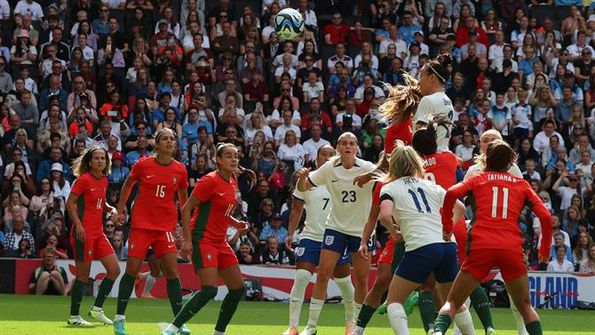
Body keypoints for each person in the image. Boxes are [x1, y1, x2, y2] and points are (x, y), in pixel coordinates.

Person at [431, 140, 553, 335]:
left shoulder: (478, 179)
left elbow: (452, 193)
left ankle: (438, 332)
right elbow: (546, 217)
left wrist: (447, 226)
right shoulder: (522, 185)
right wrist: (544, 250)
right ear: (510, 162)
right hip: (511, 248)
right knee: (525, 307)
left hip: (481, 246)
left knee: (453, 302)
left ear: (486, 159)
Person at [378, 145, 474, 335]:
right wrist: (448, 229)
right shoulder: (431, 185)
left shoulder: (389, 188)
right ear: (416, 163)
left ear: (393, 166)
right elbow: (461, 208)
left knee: (394, 300)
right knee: (453, 301)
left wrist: (394, 232)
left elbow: (384, 215)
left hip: (421, 245)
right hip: (447, 245)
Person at [160, 143, 254, 335]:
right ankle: (172, 329)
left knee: (237, 288)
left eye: (236, 156)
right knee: (209, 289)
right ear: (218, 160)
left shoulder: (232, 181)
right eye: (228, 156)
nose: (234, 159)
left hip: (221, 241)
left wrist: (237, 224)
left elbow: (222, 212)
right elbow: (186, 208)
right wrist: (186, 241)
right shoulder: (209, 180)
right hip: (203, 239)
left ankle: (219, 332)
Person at [413, 125, 496, 335]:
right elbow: (462, 188)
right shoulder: (450, 159)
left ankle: (431, 330)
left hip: (426, 226)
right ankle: (488, 327)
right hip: (455, 223)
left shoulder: (413, 167)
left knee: (427, 284)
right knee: (464, 278)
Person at [296, 132, 376, 335]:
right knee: (322, 274)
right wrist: (303, 178)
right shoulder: (329, 167)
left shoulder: (367, 168)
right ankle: (311, 326)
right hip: (336, 227)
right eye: (344, 143)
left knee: (361, 280)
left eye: (351, 143)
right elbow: (306, 186)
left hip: (361, 230)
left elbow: (388, 180)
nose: (348, 147)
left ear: (357, 147)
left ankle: (358, 327)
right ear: (338, 148)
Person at [113, 128, 190, 335]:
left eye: (172, 139)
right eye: (165, 138)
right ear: (156, 144)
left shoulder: (180, 170)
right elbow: (127, 186)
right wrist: (120, 210)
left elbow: (184, 204)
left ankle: (179, 322)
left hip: (165, 228)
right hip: (141, 226)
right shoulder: (143, 164)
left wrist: (185, 232)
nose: (169, 142)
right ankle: (119, 318)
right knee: (131, 271)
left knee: (172, 273)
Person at [283, 145, 355, 335]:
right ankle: (294, 327)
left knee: (345, 284)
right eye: (323, 154)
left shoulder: (344, 178)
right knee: (301, 278)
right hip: (311, 236)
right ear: (316, 158)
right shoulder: (306, 180)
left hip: (338, 236)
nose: (327, 157)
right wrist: (290, 233)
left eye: (331, 155)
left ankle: (351, 324)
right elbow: (297, 209)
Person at [65, 147, 121, 326]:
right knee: (82, 276)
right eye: (96, 158)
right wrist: (79, 225)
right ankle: (74, 317)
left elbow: (100, 201)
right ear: (89, 162)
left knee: (114, 270)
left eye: (103, 158)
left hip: (98, 233)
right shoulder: (83, 180)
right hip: (83, 234)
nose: (100, 161)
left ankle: (96, 309)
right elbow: (70, 203)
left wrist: (110, 208)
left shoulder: (104, 180)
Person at [414, 53, 455, 151]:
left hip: (431, 159)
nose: (418, 82)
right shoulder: (448, 100)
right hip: (444, 155)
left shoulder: (427, 100)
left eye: (421, 77)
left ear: (432, 78)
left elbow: (420, 139)